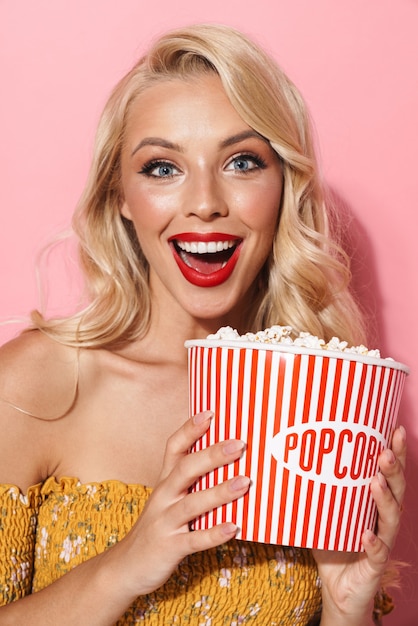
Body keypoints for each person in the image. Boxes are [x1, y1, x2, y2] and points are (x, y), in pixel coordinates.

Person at [0, 23, 406, 625]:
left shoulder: (326, 406)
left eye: (243, 162)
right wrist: (127, 563)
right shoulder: (36, 386)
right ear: (119, 194)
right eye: (162, 168)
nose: (206, 202)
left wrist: (348, 610)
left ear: (284, 185)